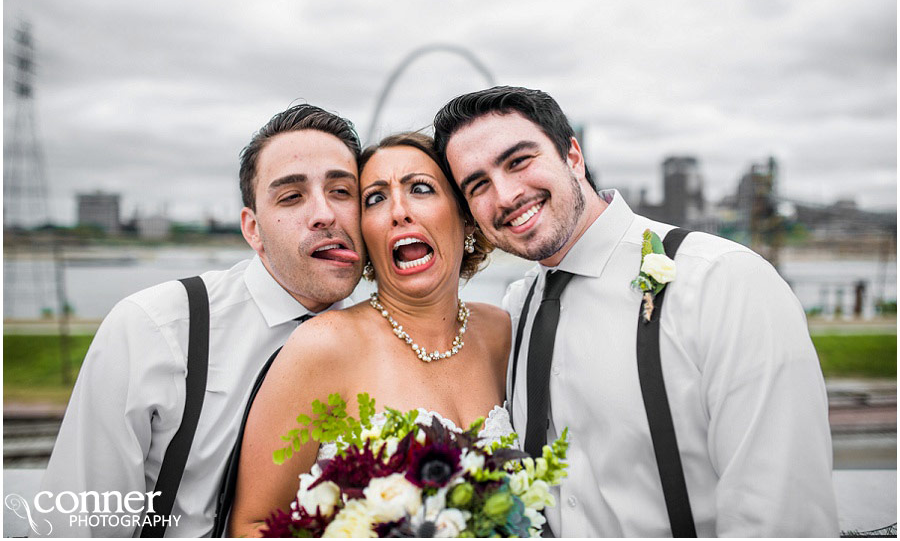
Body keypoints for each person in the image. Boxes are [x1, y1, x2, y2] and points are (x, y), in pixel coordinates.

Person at [433, 86, 840, 537]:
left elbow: (780, 517)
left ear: (572, 155)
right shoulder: (516, 308)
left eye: (519, 161)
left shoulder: (724, 283)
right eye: (478, 185)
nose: (506, 195)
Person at [39, 104, 365, 537]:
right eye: (291, 196)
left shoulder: (384, 340)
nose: (325, 213)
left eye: (343, 191)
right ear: (253, 230)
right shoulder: (152, 329)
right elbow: (79, 526)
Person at [227, 132, 512, 537]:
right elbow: (253, 526)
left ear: (464, 215)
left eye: (420, 188)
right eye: (375, 198)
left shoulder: (502, 333)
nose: (398, 211)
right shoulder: (323, 346)